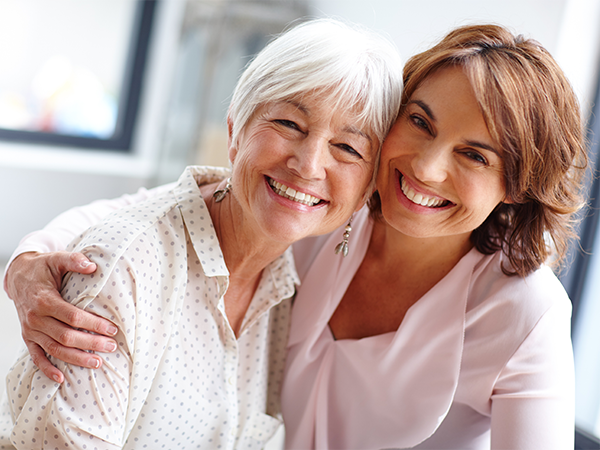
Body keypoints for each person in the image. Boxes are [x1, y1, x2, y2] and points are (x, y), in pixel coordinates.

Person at [3, 24, 585, 450]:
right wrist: (27, 262)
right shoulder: (325, 217)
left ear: (517, 185)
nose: (427, 169)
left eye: (474, 155)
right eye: (421, 122)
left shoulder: (523, 312)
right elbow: (162, 212)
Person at [0, 18, 403, 449]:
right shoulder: (125, 271)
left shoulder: (293, 279)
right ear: (236, 129)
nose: (308, 165)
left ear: (366, 190)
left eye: (347, 148)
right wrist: (25, 260)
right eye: (290, 124)